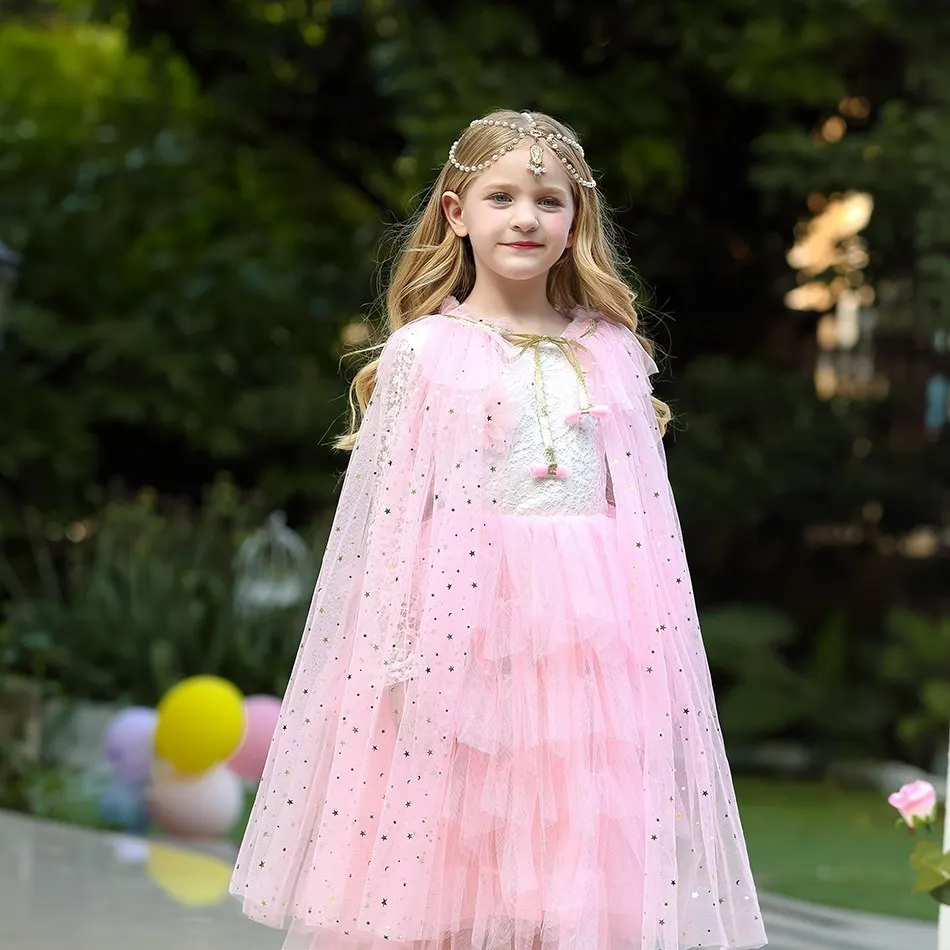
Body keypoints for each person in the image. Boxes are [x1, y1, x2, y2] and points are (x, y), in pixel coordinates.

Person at [230, 109, 768, 950]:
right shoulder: (425, 352)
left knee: (570, 855)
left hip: (590, 648)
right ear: (457, 212)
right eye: (502, 197)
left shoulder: (613, 353)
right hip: (462, 630)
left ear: (576, 220)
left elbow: (648, 524)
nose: (526, 217)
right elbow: (386, 524)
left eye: (549, 201)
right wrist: (394, 658)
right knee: (456, 848)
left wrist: (658, 656)